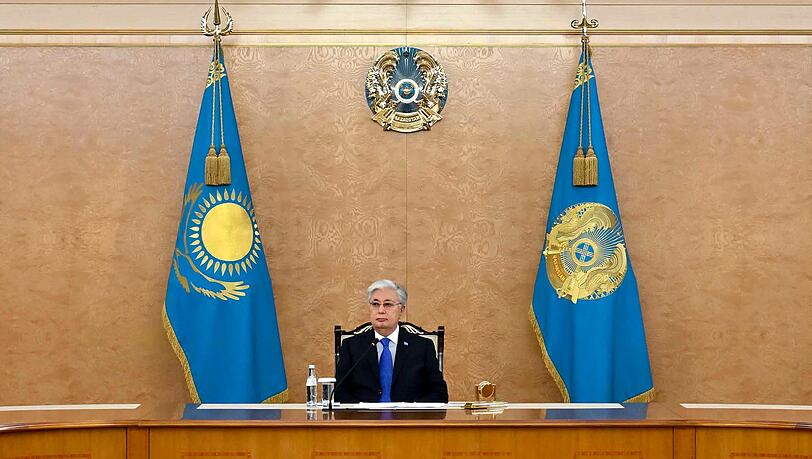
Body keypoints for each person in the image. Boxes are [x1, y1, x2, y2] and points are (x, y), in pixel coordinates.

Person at [334, 279, 448, 403]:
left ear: (402, 309)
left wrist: (413, 412)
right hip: (364, 420)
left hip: (409, 420)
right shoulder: (351, 346)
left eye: (387, 304)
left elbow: (438, 392)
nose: (381, 310)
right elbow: (339, 392)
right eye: (375, 304)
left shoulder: (422, 347)